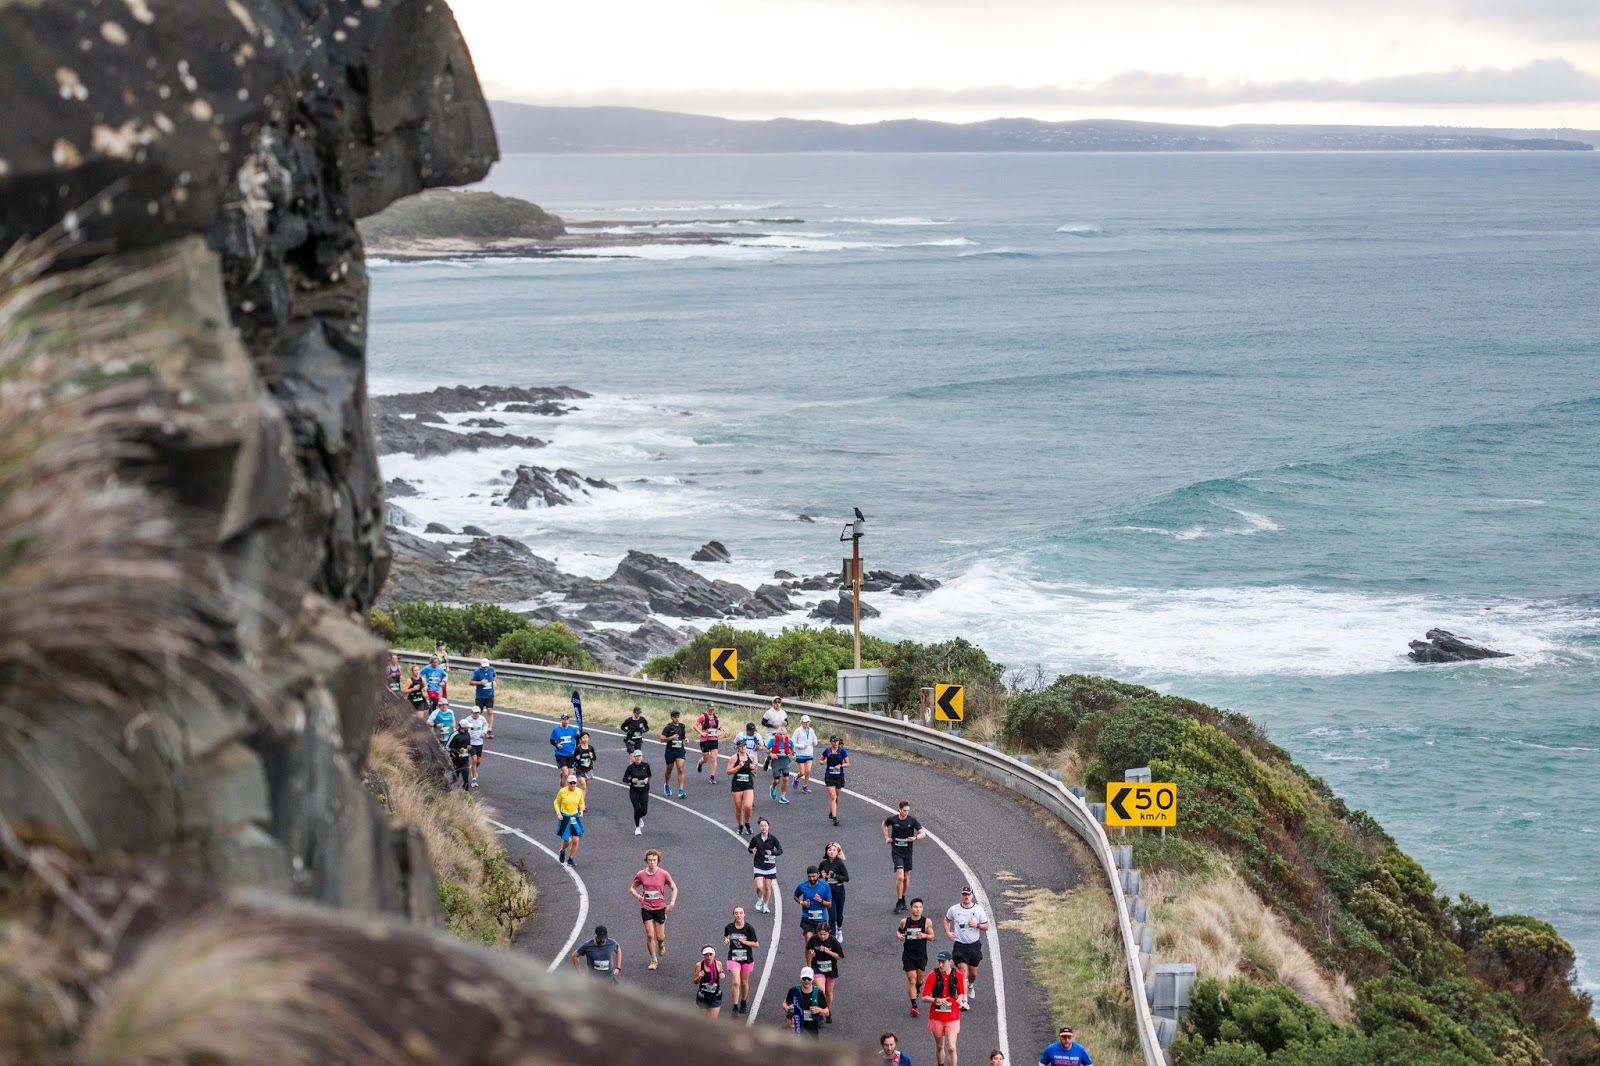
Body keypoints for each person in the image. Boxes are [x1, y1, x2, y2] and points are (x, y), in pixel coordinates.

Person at [944, 886, 990, 1008]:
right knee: (962, 971)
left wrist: (977, 924)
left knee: (973, 973)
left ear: (972, 896)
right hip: (960, 945)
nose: (966, 896)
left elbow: (986, 926)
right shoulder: (954, 909)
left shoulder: (978, 910)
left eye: (968, 894)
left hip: (974, 945)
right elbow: (946, 920)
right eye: (964, 894)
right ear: (961, 895)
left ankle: (970, 985)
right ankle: (963, 1000)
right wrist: (948, 932)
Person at [630, 849, 676, 970]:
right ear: (646, 861)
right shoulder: (641, 874)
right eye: (650, 860)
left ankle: (661, 943)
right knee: (650, 934)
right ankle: (654, 960)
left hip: (660, 907)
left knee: (659, 936)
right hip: (646, 907)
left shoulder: (664, 874)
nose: (652, 862)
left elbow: (674, 888)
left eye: (654, 860)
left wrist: (671, 903)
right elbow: (632, 888)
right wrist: (638, 897)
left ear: (658, 861)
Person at [921, 952, 965, 1066]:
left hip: (952, 1016)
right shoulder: (933, 975)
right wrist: (936, 1000)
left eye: (943, 962)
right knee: (940, 1046)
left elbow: (961, 993)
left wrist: (960, 999)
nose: (941, 965)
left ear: (950, 962)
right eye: (939, 962)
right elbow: (924, 997)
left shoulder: (957, 975)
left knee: (951, 1047)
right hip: (937, 1016)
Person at [884, 800, 927, 913]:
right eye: (904, 810)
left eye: (908, 810)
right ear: (899, 809)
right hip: (896, 851)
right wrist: (887, 837)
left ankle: (903, 898)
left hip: (907, 852)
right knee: (900, 877)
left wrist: (915, 838)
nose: (906, 813)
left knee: (906, 877)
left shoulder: (912, 821)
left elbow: (923, 833)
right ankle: (899, 901)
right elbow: (884, 824)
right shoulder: (893, 819)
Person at [898, 897, 935, 1016]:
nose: (918, 909)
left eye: (920, 907)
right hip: (908, 955)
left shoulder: (926, 922)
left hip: (921, 956)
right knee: (912, 980)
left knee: (919, 980)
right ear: (911, 908)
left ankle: (918, 989)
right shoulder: (905, 921)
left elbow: (932, 936)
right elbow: (899, 931)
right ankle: (914, 1005)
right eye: (916, 907)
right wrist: (899, 936)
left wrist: (924, 935)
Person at [803, 921, 843, 1024]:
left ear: (829, 933)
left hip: (830, 969)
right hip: (817, 967)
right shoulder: (813, 939)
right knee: (821, 990)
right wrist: (809, 963)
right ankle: (820, 1013)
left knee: (828, 993)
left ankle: (827, 1011)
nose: (823, 936)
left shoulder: (833, 941)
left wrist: (828, 951)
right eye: (820, 934)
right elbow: (807, 951)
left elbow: (839, 956)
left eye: (825, 934)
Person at [723, 905, 760, 1015]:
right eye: (736, 913)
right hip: (733, 958)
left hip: (746, 958)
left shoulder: (749, 928)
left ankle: (743, 1001)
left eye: (740, 913)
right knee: (736, 982)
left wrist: (744, 942)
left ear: (744, 914)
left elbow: (756, 944)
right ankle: (735, 1006)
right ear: (733, 915)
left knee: (744, 982)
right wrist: (726, 940)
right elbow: (726, 936)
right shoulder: (729, 927)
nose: (738, 915)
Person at [749, 817, 782, 913]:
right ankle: (760, 899)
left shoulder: (773, 839)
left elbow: (780, 850)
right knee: (759, 887)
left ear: (768, 827)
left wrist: (772, 853)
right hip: (758, 865)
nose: (763, 828)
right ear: (759, 827)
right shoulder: (755, 838)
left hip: (769, 866)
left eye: (765, 826)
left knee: (767, 887)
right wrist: (752, 850)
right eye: (761, 826)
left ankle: (766, 905)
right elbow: (750, 847)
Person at [784, 967, 828, 1037]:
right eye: (804, 979)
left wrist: (819, 1010)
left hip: (811, 1028)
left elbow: (826, 1012)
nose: (806, 981)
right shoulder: (794, 990)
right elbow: (784, 1004)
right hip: (796, 1026)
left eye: (809, 979)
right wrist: (789, 1008)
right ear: (801, 978)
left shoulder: (818, 992)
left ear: (813, 979)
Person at [819, 841, 850, 941]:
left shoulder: (839, 864)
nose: (831, 852)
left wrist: (835, 876)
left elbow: (846, 878)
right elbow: (817, 875)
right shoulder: (823, 864)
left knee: (839, 915)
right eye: (829, 850)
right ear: (826, 851)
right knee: (832, 915)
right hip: (828, 893)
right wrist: (821, 875)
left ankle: (839, 929)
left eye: (834, 850)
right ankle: (831, 937)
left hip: (839, 891)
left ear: (837, 852)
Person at [553, 776, 585, 867]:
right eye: (571, 783)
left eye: (574, 783)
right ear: (567, 783)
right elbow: (556, 802)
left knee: (575, 840)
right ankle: (562, 850)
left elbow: (582, 802)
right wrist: (558, 813)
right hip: (565, 817)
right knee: (567, 840)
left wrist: (581, 810)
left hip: (574, 817)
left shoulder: (579, 792)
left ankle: (571, 858)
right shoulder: (562, 792)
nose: (573, 785)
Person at [794, 865, 833, 938]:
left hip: (821, 919)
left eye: (814, 876)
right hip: (807, 918)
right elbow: (795, 896)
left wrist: (821, 901)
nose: (812, 879)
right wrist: (802, 903)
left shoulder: (825, 886)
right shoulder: (802, 886)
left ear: (818, 874)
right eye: (809, 877)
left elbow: (829, 904)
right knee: (809, 943)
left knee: (820, 942)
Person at [727, 743, 758, 834]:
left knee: (748, 806)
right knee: (738, 807)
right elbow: (728, 771)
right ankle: (740, 825)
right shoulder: (734, 758)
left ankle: (747, 823)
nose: (743, 748)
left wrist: (753, 767)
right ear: (737, 748)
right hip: (737, 785)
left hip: (748, 784)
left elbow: (754, 766)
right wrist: (738, 767)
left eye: (744, 746)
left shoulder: (751, 756)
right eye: (741, 746)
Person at [622, 748, 652, 834]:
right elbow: (624, 778)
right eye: (636, 756)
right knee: (636, 808)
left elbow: (649, 774)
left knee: (644, 810)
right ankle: (637, 827)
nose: (638, 758)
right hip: (634, 790)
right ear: (633, 758)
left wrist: (647, 778)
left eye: (639, 756)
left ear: (642, 757)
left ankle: (639, 817)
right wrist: (631, 780)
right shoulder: (630, 768)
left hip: (644, 790)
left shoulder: (646, 766)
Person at [822, 734, 850, 826]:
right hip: (829, 776)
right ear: (831, 742)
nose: (835, 743)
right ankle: (835, 818)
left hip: (839, 777)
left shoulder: (842, 752)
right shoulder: (827, 751)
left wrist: (840, 765)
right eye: (834, 741)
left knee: (837, 798)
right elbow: (820, 760)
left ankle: (832, 811)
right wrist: (824, 762)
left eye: (837, 741)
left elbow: (848, 763)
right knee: (833, 796)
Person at [659, 710, 688, 796]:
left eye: (678, 717)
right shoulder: (668, 727)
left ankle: (681, 790)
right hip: (670, 751)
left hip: (680, 750)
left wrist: (686, 739)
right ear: (672, 718)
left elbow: (683, 736)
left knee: (680, 769)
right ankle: (667, 785)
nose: (677, 719)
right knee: (669, 769)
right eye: (675, 717)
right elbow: (661, 739)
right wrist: (671, 738)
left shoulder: (682, 726)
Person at [461, 704, 490, 787]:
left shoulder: (482, 718)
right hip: (471, 743)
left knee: (478, 761)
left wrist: (484, 732)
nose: (476, 715)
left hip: (479, 742)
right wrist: (467, 739)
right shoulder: (468, 720)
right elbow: (464, 729)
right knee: (474, 760)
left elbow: (485, 725)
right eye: (474, 713)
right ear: (471, 713)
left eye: (477, 713)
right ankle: (474, 780)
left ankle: (473, 768)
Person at [693, 946, 725, 1017]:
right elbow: (695, 981)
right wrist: (699, 977)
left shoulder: (718, 964)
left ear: (714, 955)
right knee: (704, 1021)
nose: (709, 957)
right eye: (706, 954)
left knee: (712, 1022)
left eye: (711, 954)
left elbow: (721, 971)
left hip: (715, 996)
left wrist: (722, 974)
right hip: (703, 997)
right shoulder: (699, 965)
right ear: (703, 955)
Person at [549, 712, 580, 785]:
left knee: (570, 776)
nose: (566, 721)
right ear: (561, 720)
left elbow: (577, 738)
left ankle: (563, 781)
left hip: (570, 754)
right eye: (564, 719)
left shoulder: (572, 729)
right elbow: (552, 740)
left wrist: (576, 749)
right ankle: (564, 791)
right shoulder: (556, 730)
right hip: (560, 754)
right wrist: (557, 745)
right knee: (566, 773)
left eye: (567, 719)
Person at [767, 720, 793, 803]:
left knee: (786, 778)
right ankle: (773, 787)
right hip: (776, 761)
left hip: (785, 761)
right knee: (777, 780)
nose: (782, 736)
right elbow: (767, 748)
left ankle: (783, 796)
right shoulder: (773, 740)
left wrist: (794, 754)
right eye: (780, 734)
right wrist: (771, 754)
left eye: (784, 734)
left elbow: (792, 747)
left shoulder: (788, 740)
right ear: (777, 734)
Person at [469, 658, 496, 737]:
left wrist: (494, 682)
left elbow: (494, 676)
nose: (485, 668)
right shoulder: (477, 671)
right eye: (484, 667)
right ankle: (479, 728)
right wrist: (480, 682)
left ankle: (489, 729)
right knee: (479, 713)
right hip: (480, 695)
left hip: (489, 694)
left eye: (486, 667)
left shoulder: (491, 670)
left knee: (490, 711)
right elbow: (471, 682)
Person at [792, 714, 819, 793]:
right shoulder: (798, 731)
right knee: (802, 772)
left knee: (808, 770)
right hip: (800, 753)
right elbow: (792, 743)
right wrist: (801, 746)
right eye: (805, 722)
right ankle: (796, 777)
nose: (806, 724)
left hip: (809, 753)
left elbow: (815, 739)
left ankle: (805, 786)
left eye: (808, 722)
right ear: (801, 722)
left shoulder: (811, 730)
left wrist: (815, 742)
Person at [695, 704, 721, 782]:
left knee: (714, 758)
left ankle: (712, 777)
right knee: (706, 759)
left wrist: (719, 728)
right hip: (705, 740)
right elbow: (694, 726)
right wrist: (701, 733)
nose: (711, 711)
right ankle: (700, 762)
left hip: (714, 739)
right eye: (710, 709)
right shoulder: (702, 717)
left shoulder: (715, 717)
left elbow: (714, 726)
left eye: (713, 709)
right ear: (707, 708)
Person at [446, 721, 473, 789]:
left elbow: (468, 744)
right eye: (467, 726)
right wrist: (458, 750)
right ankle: (450, 790)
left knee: (466, 775)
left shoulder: (467, 734)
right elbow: (447, 747)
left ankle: (466, 791)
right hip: (456, 760)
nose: (468, 728)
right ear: (463, 727)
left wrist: (469, 748)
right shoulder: (455, 735)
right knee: (454, 776)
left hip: (465, 759)